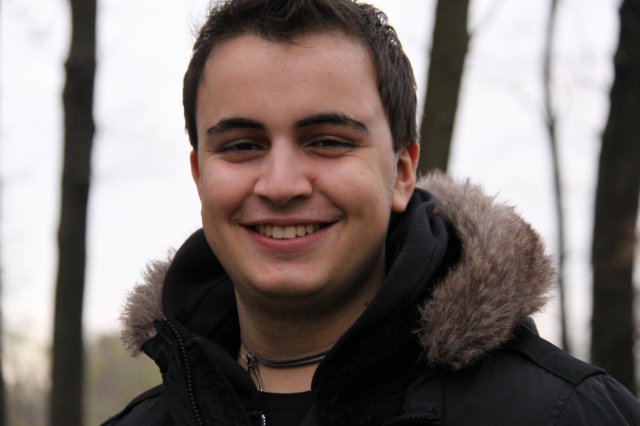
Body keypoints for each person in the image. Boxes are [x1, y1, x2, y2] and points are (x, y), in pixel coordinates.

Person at [103, 0, 640, 424]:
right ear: (200, 176)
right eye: (242, 146)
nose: (282, 185)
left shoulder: (566, 413)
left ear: (402, 172)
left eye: (328, 141)